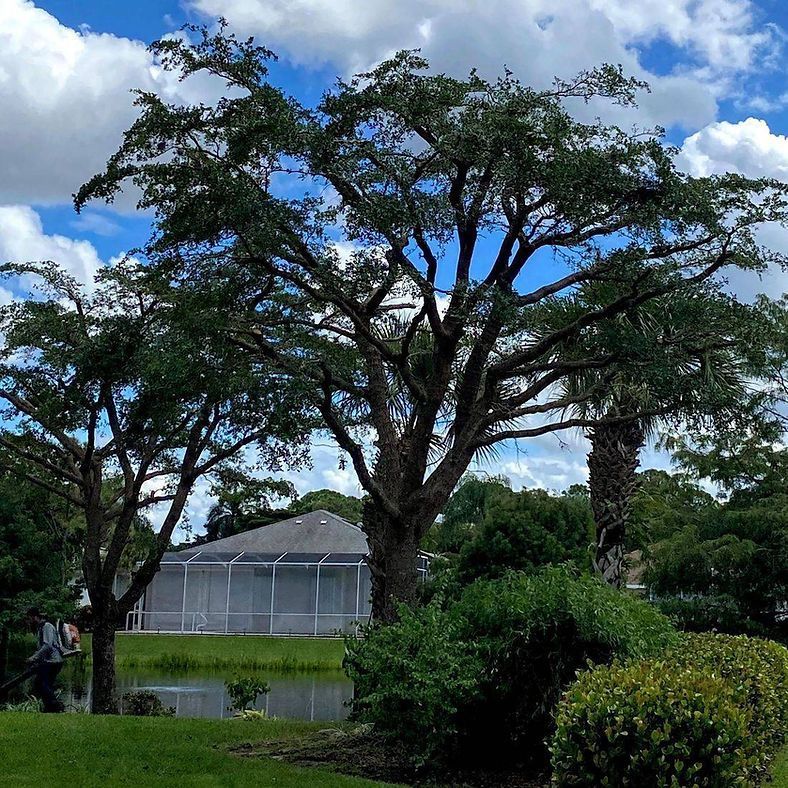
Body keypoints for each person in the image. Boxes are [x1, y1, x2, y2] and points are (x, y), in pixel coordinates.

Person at [26, 608, 64, 713]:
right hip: (48, 662)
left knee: (40, 683)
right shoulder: (41, 628)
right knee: (45, 684)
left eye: (29, 618)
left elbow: (47, 645)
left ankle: (55, 706)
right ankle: (50, 708)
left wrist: (33, 658)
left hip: (53, 661)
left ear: (35, 617)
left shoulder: (47, 626)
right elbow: (41, 648)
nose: (28, 621)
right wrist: (35, 659)